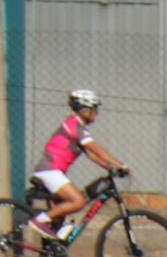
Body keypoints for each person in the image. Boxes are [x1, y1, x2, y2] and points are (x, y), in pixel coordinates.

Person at [26, 89, 121, 243]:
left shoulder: (77, 126)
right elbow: (94, 148)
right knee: (78, 201)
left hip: (54, 172)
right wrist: (119, 164)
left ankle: (58, 253)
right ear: (85, 110)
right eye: (94, 109)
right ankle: (39, 220)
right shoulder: (75, 125)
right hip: (50, 171)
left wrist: (110, 168)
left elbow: (91, 155)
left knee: (61, 217)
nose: (96, 113)